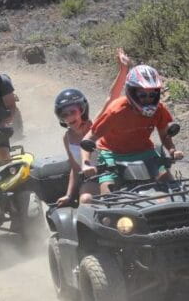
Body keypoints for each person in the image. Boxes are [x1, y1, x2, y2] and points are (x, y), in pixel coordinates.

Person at [80, 64, 183, 194]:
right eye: (142, 95)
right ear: (132, 92)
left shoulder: (159, 110)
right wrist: (86, 163)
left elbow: (165, 135)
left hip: (145, 152)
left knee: (172, 186)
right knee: (108, 193)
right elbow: (88, 139)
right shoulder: (115, 111)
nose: (147, 99)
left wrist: (173, 151)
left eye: (151, 95)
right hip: (111, 155)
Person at [55, 48, 132, 207]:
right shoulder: (67, 138)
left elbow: (112, 97)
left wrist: (123, 69)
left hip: (114, 173)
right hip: (91, 179)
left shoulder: (96, 124)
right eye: (64, 114)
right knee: (86, 200)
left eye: (73, 111)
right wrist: (69, 195)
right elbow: (75, 169)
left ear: (81, 110)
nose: (69, 117)